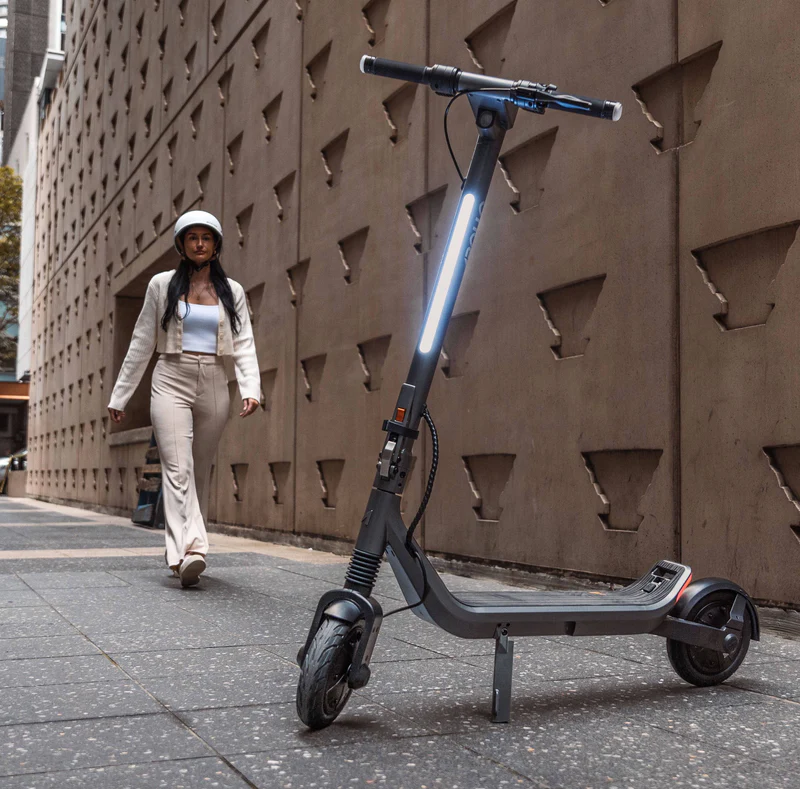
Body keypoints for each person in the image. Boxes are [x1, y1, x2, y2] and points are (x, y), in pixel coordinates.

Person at [107, 211, 261, 587]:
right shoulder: (162, 285)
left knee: (199, 471)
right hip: (170, 378)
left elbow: (243, 344)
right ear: (181, 244)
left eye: (206, 238)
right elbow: (142, 341)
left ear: (216, 244)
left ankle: (181, 556)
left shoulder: (232, 291)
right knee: (178, 470)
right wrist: (121, 395)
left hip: (213, 380)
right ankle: (193, 550)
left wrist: (250, 388)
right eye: (191, 238)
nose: (199, 244)